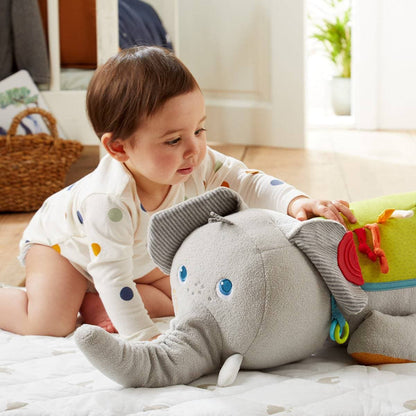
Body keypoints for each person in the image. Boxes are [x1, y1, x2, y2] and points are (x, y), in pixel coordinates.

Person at [0, 46, 356, 341]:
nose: (194, 149)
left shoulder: (195, 161)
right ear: (119, 148)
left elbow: (248, 181)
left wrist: (296, 201)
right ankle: (55, 298)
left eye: (199, 130)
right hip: (65, 250)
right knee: (49, 323)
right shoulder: (107, 201)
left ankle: (97, 304)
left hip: (135, 259)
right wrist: (144, 339)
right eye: (173, 140)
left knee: (197, 294)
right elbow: (112, 276)